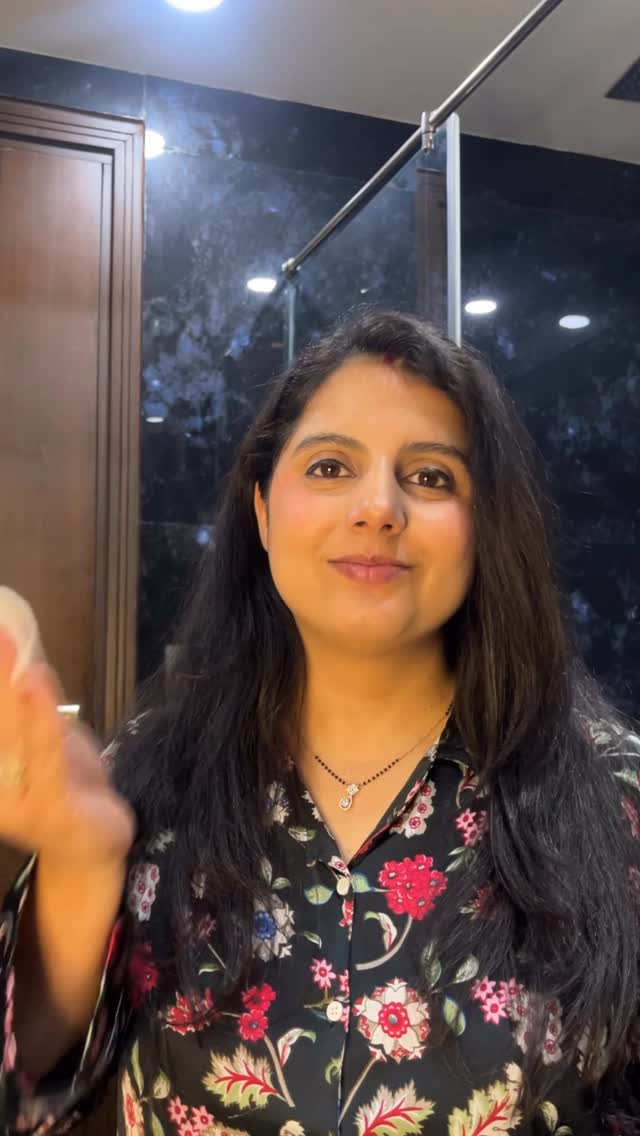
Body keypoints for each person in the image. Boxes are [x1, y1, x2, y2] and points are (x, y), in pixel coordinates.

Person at [1, 309, 639, 1136]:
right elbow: (30, 1079)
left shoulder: (612, 796)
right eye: (331, 466)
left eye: (431, 477)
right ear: (264, 512)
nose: (378, 508)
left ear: (484, 529)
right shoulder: (154, 773)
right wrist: (81, 864)